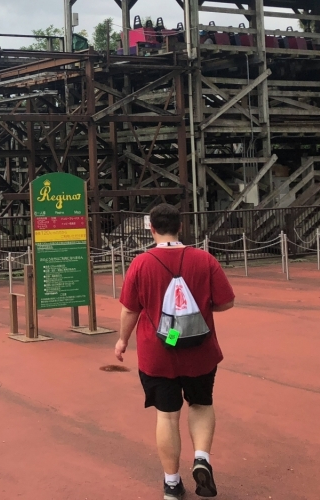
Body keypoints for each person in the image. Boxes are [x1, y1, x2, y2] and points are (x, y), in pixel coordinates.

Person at [114, 204, 235, 500]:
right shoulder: (204, 260)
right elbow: (226, 302)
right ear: (181, 227)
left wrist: (122, 341)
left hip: (157, 353)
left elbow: (130, 310)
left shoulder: (141, 263)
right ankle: (202, 458)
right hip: (200, 350)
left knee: (167, 417)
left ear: (151, 228)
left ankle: (171, 483)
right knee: (201, 404)